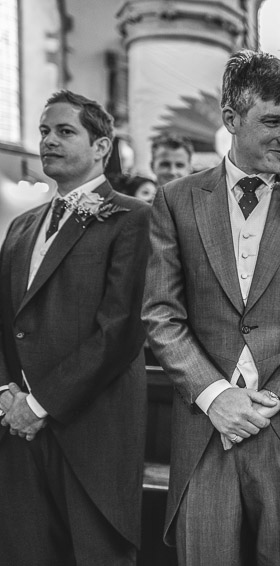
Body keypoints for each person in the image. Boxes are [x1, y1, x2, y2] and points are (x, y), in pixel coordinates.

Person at [143, 50, 280, 566]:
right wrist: (215, 395)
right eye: (272, 121)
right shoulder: (177, 199)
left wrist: (277, 398)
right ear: (231, 120)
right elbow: (160, 311)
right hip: (205, 426)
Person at [0, 90, 150, 564]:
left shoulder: (133, 218)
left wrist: (41, 404)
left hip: (93, 430)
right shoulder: (22, 226)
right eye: (44, 131)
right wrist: (6, 392)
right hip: (19, 431)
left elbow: (121, 329)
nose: (49, 141)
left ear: (101, 147)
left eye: (65, 131)